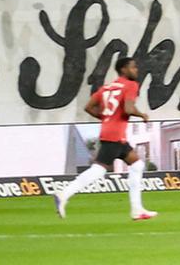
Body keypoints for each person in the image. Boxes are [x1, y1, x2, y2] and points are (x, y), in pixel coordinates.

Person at [53, 56, 157, 221]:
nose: (136, 70)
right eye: (133, 67)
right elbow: (128, 108)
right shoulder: (131, 85)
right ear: (123, 69)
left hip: (112, 133)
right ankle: (64, 194)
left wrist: (106, 118)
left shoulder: (106, 88)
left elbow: (88, 107)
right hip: (115, 135)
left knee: (137, 164)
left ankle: (137, 209)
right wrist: (142, 115)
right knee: (98, 171)